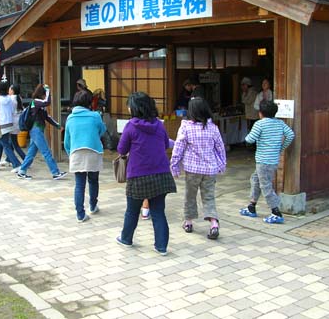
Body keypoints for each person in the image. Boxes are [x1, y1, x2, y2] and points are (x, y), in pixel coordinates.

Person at [116, 92, 177, 256]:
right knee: (158, 212)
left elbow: (121, 149)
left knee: (132, 211)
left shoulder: (131, 126)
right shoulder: (159, 124)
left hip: (138, 176)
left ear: (134, 108)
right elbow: (165, 144)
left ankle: (126, 239)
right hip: (161, 174)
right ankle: (161, 247)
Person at [170, 97, 227, 239]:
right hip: (210, 169)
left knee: (190, 196)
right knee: (209, 197)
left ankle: (188, 222)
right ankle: (213, 223)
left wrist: (174, 165)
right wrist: (221, 164)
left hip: (192, 169)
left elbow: (178, 147)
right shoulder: (213, 128)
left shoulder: (185, 127)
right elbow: (220, 148)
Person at [240, 100, 295, 224]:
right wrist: (281, 147)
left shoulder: (259, 124)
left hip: (263, 161)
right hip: (272, 160)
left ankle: (276, 212)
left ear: (260, 113)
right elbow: (290, 135)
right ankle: (251, 207)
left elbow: (249, 139)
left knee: (266, 186)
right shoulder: (280, 123)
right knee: (255, 180)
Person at [64, 89, 106, 222]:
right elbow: (102, 130)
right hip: (93, 151)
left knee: (79, 184)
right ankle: (93, 205)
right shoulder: (95, 116)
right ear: (89, 102)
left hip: (76, 152)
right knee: (93, 181)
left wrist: (70, 152)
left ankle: (80, 214)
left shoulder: (70, 118)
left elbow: (67, 140)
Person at [16, 84, 67, 180]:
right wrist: (48, 90)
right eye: (45, 94)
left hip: (36, 130)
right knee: (46, 152)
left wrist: (58, 126)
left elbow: (47, 117)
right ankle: (55, 172)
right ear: (42, 94)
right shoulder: (36, 102)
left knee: (31, 153)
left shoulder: (39, 105)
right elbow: (47, 102)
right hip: (36, 130)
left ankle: (22, 171)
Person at [0, 81, 22, 172]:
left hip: (0, 125)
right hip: (9, 124)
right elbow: (12, 111)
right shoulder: (10, 99)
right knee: (0, 144)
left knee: (6, 146)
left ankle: (16, 164)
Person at [5, 84, 26, 165]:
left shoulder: (11, 99)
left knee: (15, 143)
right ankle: (8, 159)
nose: (9, 91)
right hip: (17, 122)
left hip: (12, 122)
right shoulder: (19, 98)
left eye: (10, 89)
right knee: (12, 141)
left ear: (12, 90)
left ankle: (25, 159)